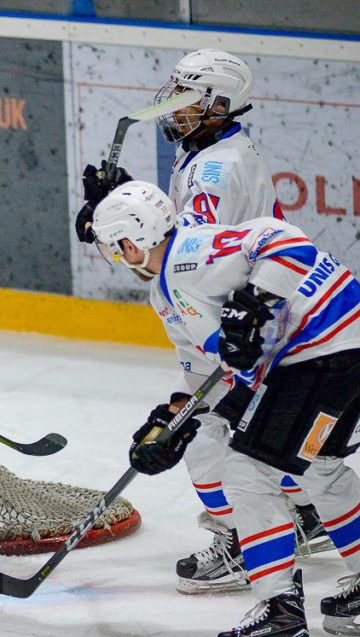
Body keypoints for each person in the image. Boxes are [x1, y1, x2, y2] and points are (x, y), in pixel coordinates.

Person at [75, 49, 328, 595]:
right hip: (232, 311)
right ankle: (302, 514)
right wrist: (115, 210)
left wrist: (118, 223)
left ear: (218, 106)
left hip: (227, 319)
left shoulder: (216, 167)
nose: (172, 105)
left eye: (187, 96)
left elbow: (175, 251)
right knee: (249, 432)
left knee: (211, 437)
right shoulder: (209, 150)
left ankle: (239, 539)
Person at [91, 180, 360, 637]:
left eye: (115, 248)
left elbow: (286, 241)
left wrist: (255, 301)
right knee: (320, 469)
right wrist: (176, 416)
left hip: (321, 353)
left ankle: (280, 620)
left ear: (131, 242)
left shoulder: (190, 252)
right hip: (340, 351)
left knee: (246, 474)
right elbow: (208, 370)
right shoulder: (169, 287)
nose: (118, 258)